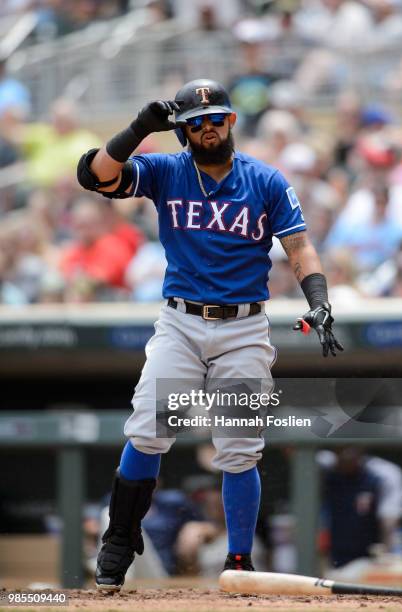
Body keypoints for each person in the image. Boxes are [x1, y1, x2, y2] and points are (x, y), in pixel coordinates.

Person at [77, 78, 343, 590]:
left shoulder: (264, 179)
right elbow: (95, 176)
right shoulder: (165, 170)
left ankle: (238, 562)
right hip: (180, 322)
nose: (206, 128)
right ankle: (119, 537)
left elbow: (300, 246)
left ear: (231, 121)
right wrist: (138, 129)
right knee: (149, 429)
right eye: (195, 122)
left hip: (243, 327)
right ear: (182, 131)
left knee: (239, 448)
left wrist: (319, 299)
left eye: (215, 118)